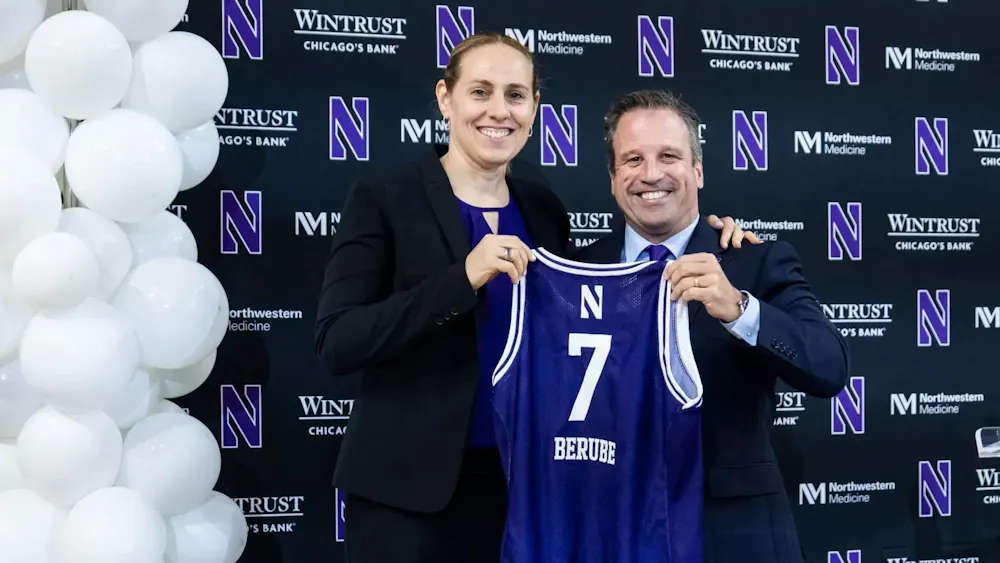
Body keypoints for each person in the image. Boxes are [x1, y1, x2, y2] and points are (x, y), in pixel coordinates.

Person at [314, 34, 756, 563]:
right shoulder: (386, 195)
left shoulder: (543, 209)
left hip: (530, 489)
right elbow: (339, 340)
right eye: (480, 91)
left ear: (534, 108)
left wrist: (719, 237)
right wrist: (462, 278)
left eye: (516, 95)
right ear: (444, 97)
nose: (499, 111)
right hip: (408, 496)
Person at [574, 89, 851, 563]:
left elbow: (829, 367)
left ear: (698, 170)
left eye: (669, 156)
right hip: (609, 528)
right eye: (633, 159)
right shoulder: (576, 272)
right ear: (613, 178)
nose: (651, 174)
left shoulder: (756, 261)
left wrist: (740, 308)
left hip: (733, 532)